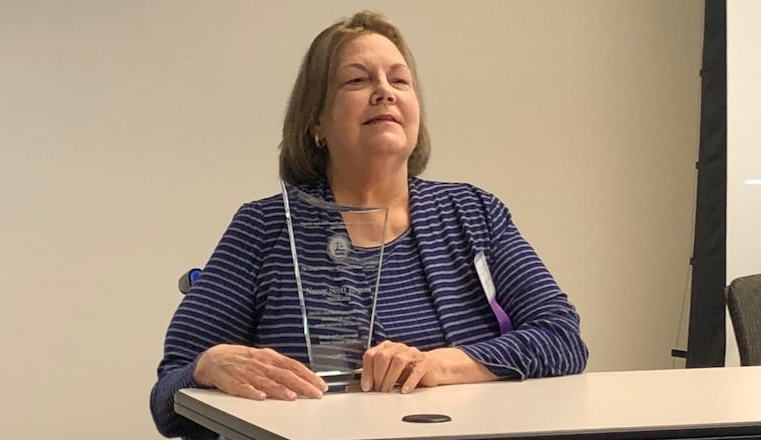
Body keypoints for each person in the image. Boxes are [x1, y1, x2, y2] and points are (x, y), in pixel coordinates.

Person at [150, 10, 588, 439]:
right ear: (317, 122)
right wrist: (205, 368)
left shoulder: (474, 212)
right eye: (357, 80)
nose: (385, 92)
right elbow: (167, 402)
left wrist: (437, 366)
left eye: (399, 80)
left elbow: (563, 339)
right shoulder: (263, 228)